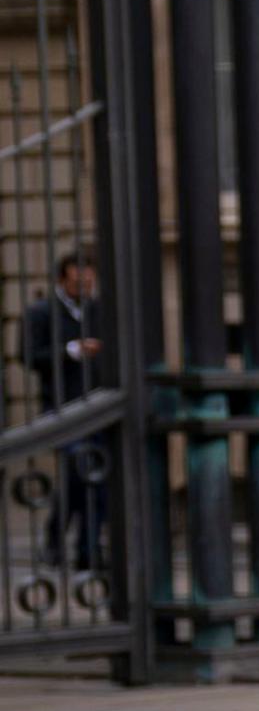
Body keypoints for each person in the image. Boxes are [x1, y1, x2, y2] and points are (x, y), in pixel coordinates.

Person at [18, 244, 106, 570]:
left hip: (102, 407)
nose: (84, 288)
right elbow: (27, 356)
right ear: (62, 280)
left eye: (88, 283)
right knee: (77, 476)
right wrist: (69, 350)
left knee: (96, 479)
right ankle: (61, 541)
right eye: (77, 283)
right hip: (62, 410)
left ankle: (88, 549)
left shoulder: (100, 311)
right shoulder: (41, 312)